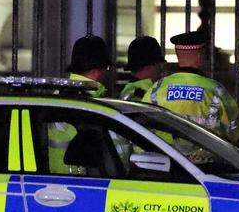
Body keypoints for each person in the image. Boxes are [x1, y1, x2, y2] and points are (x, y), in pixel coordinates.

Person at [148, 29, 239, 145]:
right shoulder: (214, 89)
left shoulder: (157, 88)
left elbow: (143, 123)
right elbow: (235, 129)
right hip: (206, 160)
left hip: (167, 158)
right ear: (200, 55)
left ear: (177, 54)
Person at [48, 34, 110, 174]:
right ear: (97, 70)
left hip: (53, 178)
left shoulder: (56, 96)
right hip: (82, 180)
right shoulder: (90, 102)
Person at [120, 36, 166, 102]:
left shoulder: (129, 90)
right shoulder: (145, 93)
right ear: (153, 65)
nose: (161, 69)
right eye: (160, 64)